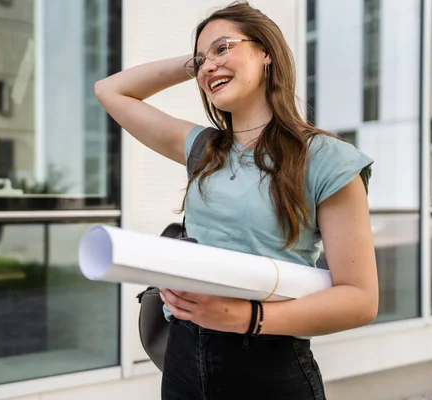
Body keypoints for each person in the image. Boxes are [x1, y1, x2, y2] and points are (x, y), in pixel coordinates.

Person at [94, 2, 378, 399]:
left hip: (266, 363)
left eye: (223, 48)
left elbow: (360, 300)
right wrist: (201, 60)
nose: (209, 67)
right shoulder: (204, 148)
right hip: (183, 356)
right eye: (202, 59)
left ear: (266, 53)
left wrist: (248, 317)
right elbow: (109, 90)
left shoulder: (326, 159)